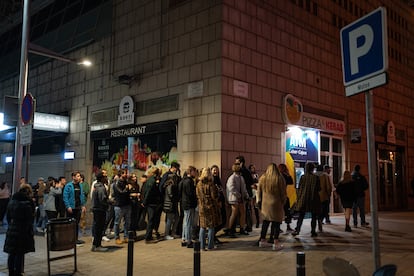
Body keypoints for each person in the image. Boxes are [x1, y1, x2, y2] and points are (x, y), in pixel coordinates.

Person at [4, 184, 35, 276]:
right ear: (28, 192)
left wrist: (11, 225)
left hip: (12, 229)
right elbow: (30, 218)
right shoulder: (28, 202)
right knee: (19, 253)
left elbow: (8, 216)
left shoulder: (12, 200)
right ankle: (18, 272)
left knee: (12, 253)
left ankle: (11, 273)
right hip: (23, 230)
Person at [257, 163, 287, 251]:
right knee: (276, 223)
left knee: (265, 223)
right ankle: (276, 242)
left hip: (265, 204)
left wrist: (259, 202)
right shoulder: (279, 178)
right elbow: (283, 193)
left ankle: (262, 241)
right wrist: (283, 201)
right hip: (276, 204)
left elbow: (259, 192)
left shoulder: (263, 178)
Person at [292, 162, 321, 237]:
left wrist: (299, 197)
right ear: (312, 169)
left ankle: (297, 230)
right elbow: (319, 189)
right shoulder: (316, 178)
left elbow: (300, 188)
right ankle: (313, 231)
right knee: (314, 216)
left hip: (304, 198)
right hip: (313, 199)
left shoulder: (303, 177)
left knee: (301, 215)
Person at [196, 167, 221, 251]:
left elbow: (198, 195)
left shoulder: (199, 184)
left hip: (202, 207)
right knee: (211, 226)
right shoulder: (211, 184)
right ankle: (210, 245)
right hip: (210, 207)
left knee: (202, 226)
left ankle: (202, 246)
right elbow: (214, 196)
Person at [226, 162, 249, 238]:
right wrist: (238, 195)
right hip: (234, 198)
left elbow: (244, 187)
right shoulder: (232, 178)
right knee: (234, 213)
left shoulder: (241, 177)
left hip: (240, 198)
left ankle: (242, 228)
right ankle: (230, 229)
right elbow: (231, 188)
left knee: (243, 212)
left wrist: (246, 195)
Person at [63, 171, 86, 245]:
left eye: (79, 176)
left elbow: (82, 196)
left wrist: (83, 205)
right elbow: (65, 197)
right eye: (78, 176)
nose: (79, 177)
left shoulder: (80, 185)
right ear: (73, 177)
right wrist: (68, 206)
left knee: (76, 224)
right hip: (71, 208)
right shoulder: (68, 185)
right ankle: (68, 239)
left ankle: (75, 239)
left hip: (78, 207)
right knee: (70, 224)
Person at [179, 166, 198, 248]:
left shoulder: (183, 180)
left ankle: (184, 239)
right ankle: (188, 240)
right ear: (191, 172)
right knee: (188, 223)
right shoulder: (189, 182)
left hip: (185, 203)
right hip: (189, 204)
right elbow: (191, 194)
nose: (196, 173)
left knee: (186, 221)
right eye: (194, 171)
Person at [142, 167, 162, 243]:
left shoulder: (150, 180)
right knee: (151, 220)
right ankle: (148, 238)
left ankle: (149, 236)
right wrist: (144, 202)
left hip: (150, 203)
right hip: (151, 203)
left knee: (151, 220)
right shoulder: (152, 181)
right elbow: (148, 192)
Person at [235, 156, 255, 233]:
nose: (236, 165)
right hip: (246, 193)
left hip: (245, 194)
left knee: (246, 211)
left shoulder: (243, 172)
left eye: (237, 163)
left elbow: (249, 183)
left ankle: (246, 226)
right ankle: (246, 226)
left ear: (241, 163)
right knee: (246, 211)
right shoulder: (246, 171)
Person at [91, 171, 109, 252]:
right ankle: (97, 245)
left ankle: (95, 245)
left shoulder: (97, 186)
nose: (106, 178)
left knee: (97, 227)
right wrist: (110, 202)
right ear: (101, 178)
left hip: (97, 209)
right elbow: (103, 199)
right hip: (100, 209)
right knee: (99, 228)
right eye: (105, 176)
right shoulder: (101, 187)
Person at [112, 169, 131, 244]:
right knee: (117, 222)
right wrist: (127, 188)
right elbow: (120, 192)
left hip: (127, 204)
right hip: (119, 205)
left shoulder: (126, 182)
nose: (126, 175)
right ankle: (117, 237)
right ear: (121, 174)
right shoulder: (116, 183)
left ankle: (126, 236)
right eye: (125, 173)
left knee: (127, 222)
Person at [211, 165, 226, 244]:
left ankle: (213, 235)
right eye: (214, 170)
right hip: (216, 204)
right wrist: (218, 201)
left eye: (216, 170)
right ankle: (212, 236)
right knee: (217, 221)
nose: (215, 171)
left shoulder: (218, 180)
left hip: (221, 202)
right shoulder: (212, 181)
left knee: (223, 220)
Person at [278, 164, 294, 232]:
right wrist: (288, 174)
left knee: (279, 212)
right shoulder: (284, 176)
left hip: (278, 197)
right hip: (283, 196)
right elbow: (291, 182)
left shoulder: (277, 175)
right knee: (287, 211)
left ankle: (278, 227)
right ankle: (288, 226)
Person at [128, 173, 142, 241]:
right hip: (131, 203)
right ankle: (130, 233)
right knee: (130, 219)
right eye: (133, 177)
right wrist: (133, 194)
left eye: (135, 177)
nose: (135, 178)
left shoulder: (137, 185)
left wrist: (138, 195)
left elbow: (138, 192)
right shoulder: (129, 185)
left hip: (136, 203)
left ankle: (134, 232)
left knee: (135, 218)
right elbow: (127, 194)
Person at [249, 164, 260, 228]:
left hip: (256, 191)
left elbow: (258, 181)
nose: (253, 169)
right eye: (252, 168)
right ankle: (250, 222)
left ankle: (257, 222)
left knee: (256, 207)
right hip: (251, 191)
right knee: (250, 207)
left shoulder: (256, 175)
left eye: (254, 168)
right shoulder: (249, 175)